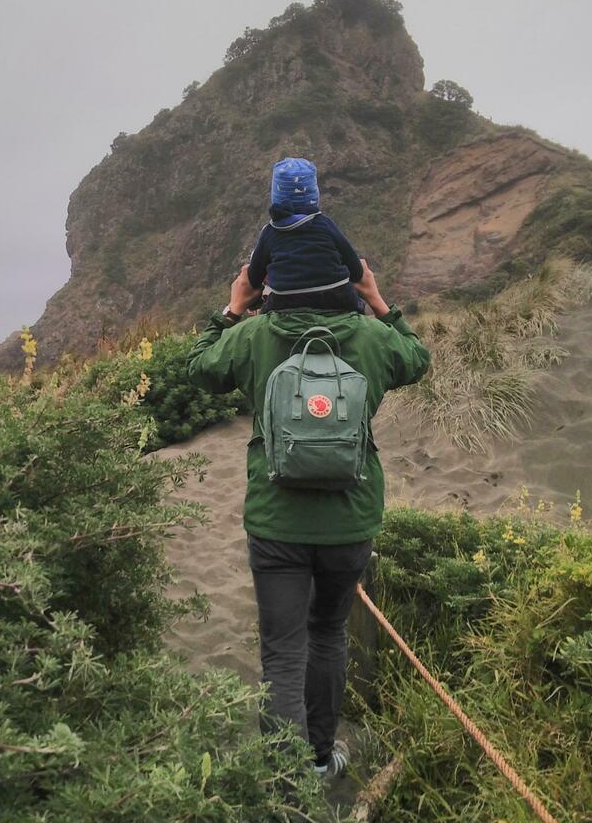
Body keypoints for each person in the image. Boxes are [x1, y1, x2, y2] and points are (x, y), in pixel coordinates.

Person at [186, 258, 431, 779]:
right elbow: (417, 359)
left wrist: (232, 309)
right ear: (345, 282)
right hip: (349, 520)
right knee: (327, 633)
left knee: (282, 650)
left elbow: (200, 367)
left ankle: (284, 781)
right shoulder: (372, 338)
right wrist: (379, 301)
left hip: (276, 522)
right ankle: (320, 758)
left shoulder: (253, 335)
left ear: (272, 286)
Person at [248, 157, 365, 313]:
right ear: (314, 194)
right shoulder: (325, 225)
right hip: (337, 297)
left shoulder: (270, 232)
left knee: (266, 314)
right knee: (356, 305)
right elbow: (356, 271)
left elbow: (254, 278)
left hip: (285, 302)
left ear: (276, 196)